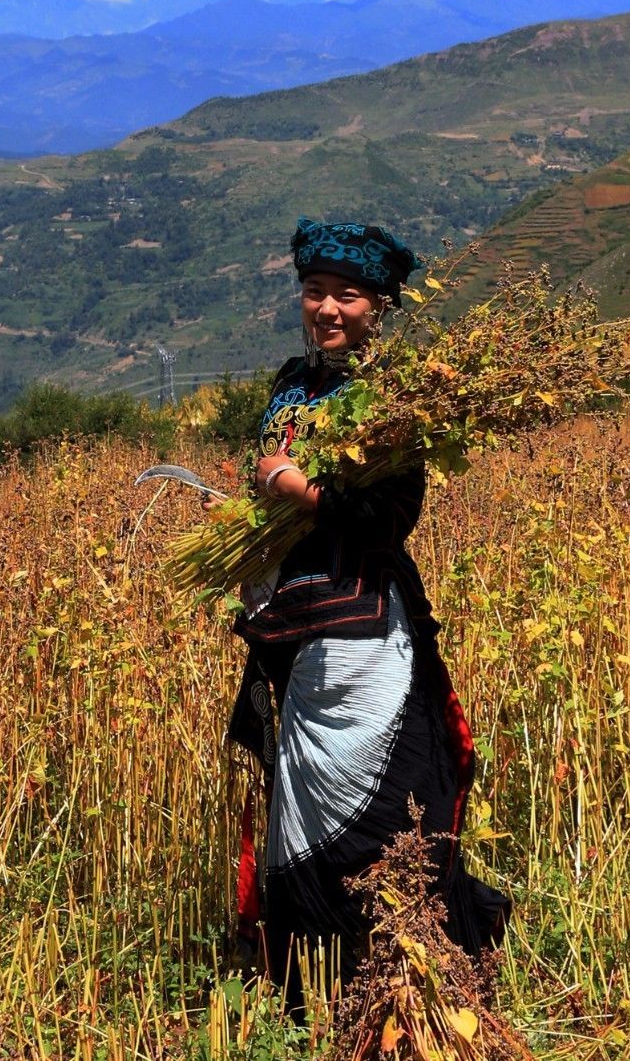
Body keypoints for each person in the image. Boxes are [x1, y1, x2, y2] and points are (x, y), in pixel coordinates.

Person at [224, 217, 508, 1004]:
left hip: (363, 636)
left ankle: (410, 981)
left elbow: (383, 521)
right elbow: (265, 477)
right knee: (304, 808)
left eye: (347, 295)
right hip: (296, 637)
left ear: (379, 306)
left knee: (387, 810)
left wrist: (289, 485)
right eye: (314, 291)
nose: (327, 308)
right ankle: (312, 993)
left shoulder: (392, 403)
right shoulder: (290, 384)